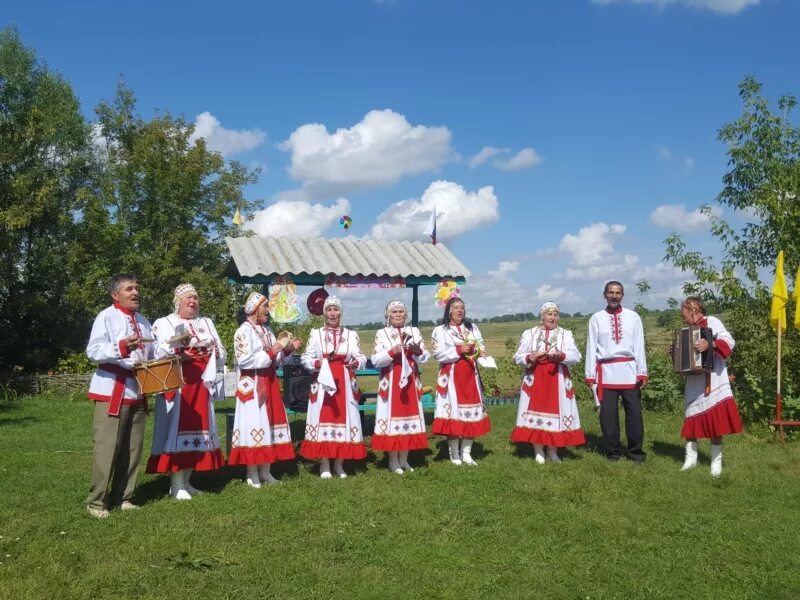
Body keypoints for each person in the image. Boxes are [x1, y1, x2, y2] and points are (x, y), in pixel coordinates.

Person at [146, 283, 226, 499]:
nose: (193, 301)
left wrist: (211, 348)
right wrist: (178, 345)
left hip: (201, 384)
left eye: (196, 298)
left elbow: (222, 354)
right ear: (177, 301)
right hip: (177, 384)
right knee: (175, 430)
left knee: (199, 430)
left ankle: (187, 481)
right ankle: (176, 483)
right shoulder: (163, 323)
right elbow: (155, 353)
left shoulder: (206, 323)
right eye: (188, 298)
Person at [85, 274, 154, 518]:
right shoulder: (106, 317)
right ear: (115, 294)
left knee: (133, 448)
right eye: (129, 289)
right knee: (108, 447)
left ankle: (123, 497)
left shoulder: (144, 321)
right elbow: (93, 351)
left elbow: (151, 354)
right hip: (111, 390)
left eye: (137, 288)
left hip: (138, 390)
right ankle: (96, 502)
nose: (135, 292)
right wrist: (122, 347)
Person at [229, 292, 301, 487]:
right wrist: (273, 350)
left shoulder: (266, 330)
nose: (268, 310)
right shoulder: (243, 332)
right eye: (265, 306)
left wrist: (287, 350)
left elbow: (275, 360)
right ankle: (252, 472)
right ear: (253, 309)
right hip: (252, 384)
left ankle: (266, 470)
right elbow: (245, 360)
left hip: (268, 380)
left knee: (268, 422)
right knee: (254, 423)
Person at [300, 295, 367, 478]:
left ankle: (339, 463)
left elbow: (361, 357)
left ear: (341, 312)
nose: (332, 313)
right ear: (324, 313)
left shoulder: (350, 335)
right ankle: (324, 464)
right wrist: (318, 363)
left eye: (335, 309)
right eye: (329, 309)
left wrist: (356, 363)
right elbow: (305, 358)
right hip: (323, 382)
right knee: (323, 418)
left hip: (344, 381)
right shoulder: (316, 334)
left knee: (343, 419)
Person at [511, 302, 585, 463]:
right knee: (535, 411)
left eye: (555, 314)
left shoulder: (565, 334)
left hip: (557, 377)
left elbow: (576, 356)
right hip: (535, 377)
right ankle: (538, 451)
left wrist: (562, 356)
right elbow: (518, 356)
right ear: (542, 316)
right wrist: (530, 357)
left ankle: (553, 451)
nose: (552, 318)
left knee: (558, 411)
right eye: (549, 314)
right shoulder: (529, 333)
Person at [677, 297, 742, 477]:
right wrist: (675, 352)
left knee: (716, 422)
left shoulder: (712, 321)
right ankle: (690, 460)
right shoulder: (686, 331)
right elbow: (683, 357)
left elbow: (729, 342)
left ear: (693, 309)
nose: (683, 318)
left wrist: (709, 344)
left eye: (684, 314)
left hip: (714, 378)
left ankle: (716, 463)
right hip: (694, 381)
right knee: (691, 417)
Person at [585, 281, 648, 462]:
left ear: (622, 295)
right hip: (606, 372)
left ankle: (636, 452)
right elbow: (591, 347)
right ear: (605, 295)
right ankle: (613, 452)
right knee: (608, 416)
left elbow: (639, 345)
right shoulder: (596, 318)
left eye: (618, 293)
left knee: (635, 414)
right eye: (611, 292)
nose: (614, 296)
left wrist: (642, 371)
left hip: (629, 371)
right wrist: (590, 375)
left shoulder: (633, 317)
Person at [370, 300, 430, 474]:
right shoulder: (382, 333)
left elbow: (425, 357)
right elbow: (375, 360)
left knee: (408, 418)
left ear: (406, 314)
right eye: (394, 312)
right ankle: (392, 460)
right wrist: (392, 352)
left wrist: (418, 351)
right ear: (388, 315)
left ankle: (404, 459)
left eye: (401, 312)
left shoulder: (414, 331)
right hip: (391, 380)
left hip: (410, 380)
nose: (398, 315)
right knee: (392, 418)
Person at [431, 296, 491, 466]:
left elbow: (481, 345)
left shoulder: (472, 327)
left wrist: (480, 352)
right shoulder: (440, 330)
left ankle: (466, 453)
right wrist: (458, 350)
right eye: (456, 307)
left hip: (471, 376)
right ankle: (454, 454)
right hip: (451, 377)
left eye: (462, 307)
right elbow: (438, 353)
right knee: (454, 414)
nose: (460, 310)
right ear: (449, 311)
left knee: (471, 413)